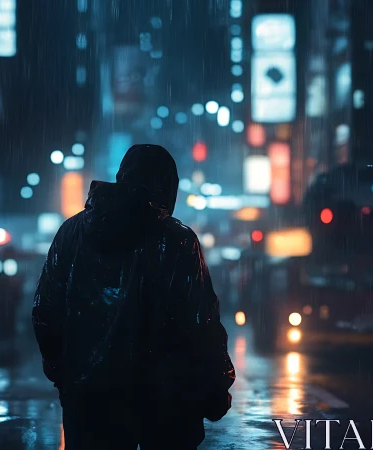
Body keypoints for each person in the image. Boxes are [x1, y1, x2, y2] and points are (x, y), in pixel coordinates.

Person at [33, 144, 235, 450]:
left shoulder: (72, 233)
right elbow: (200, 322)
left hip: (90, 399)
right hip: (165, 402)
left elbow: (46, 311)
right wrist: (215, 386)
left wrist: (65, 375)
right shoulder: (178, 241)